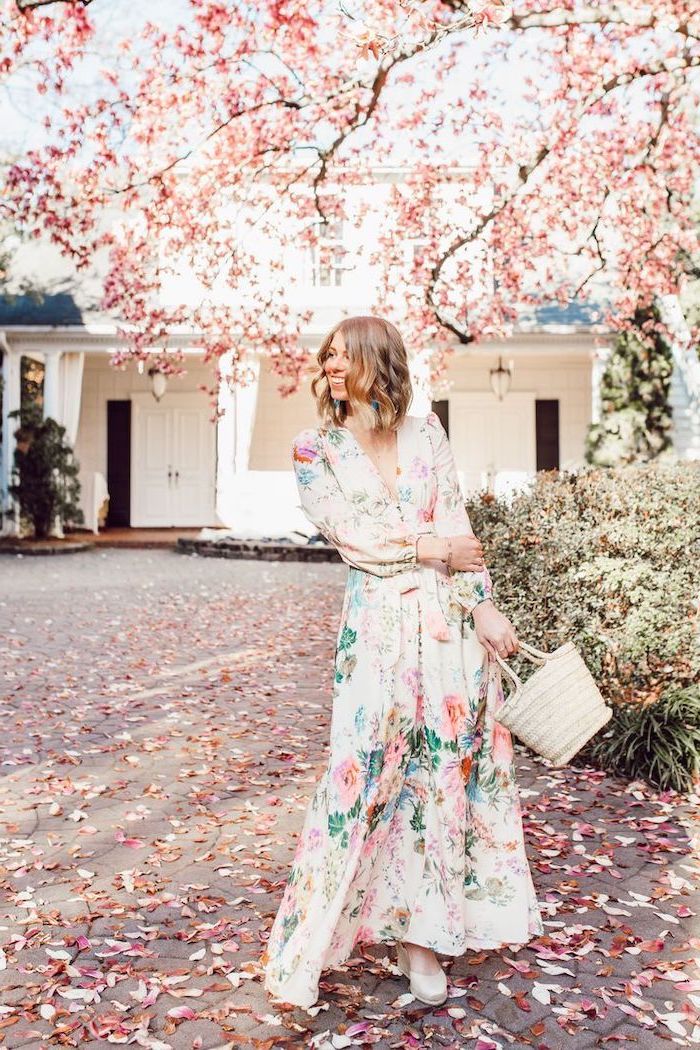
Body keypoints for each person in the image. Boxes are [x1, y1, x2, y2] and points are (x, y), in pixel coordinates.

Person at [261, 315, 544, 1010]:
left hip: (448, 633)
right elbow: (351, 535)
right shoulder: (314, 448)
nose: (330, 365)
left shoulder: (427, 433)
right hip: (377, 635)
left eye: (343, 355)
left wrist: (483, 607)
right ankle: (313, 940)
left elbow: (458, 527)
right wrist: (428, 550)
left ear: (377, 361)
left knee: (437, 781)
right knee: (361, 779)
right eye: (324, 355)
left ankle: (419, 943)